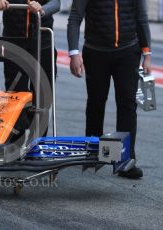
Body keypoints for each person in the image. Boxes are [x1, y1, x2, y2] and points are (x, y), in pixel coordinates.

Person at [67, 0, 152, 178]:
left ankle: (126, 160)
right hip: (95, 52)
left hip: (128, 52)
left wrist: (147, 53)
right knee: (96, 103)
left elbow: (141, 19)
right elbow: (75, 17)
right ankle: (93, 155)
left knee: (127, 105)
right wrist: (73, 53)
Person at [0, 0, 61, 141]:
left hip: (43, 45)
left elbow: (56, 3)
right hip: (15, 46)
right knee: (15, 98)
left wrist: (42, 9)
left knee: (42, 100)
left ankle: (37, 144)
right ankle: (15, 144)